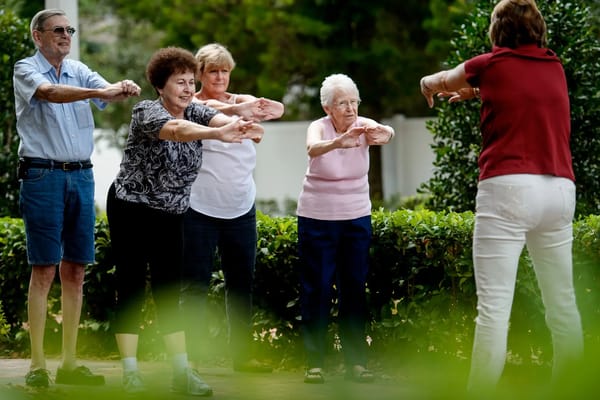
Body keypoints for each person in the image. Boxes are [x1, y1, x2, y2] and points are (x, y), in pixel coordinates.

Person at [419, 0, 584, 393]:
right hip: (559, 190)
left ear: (498, 30)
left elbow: (446, 79)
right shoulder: (554, 66)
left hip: (509, 187)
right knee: (563, 306)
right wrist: (479, 94)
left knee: (494, 310)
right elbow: (526, 94)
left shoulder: (489, 64)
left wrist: (428, 83)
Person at [106, 46, 263, 396]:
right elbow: (177, 130)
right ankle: (130, 372)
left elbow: (217, 119)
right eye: (180, 82)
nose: (189, 89)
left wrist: (238, 125)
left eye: (192, 82)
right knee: (131, 285)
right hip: (131, 208)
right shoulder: (146, 112)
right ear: (161, 86)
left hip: (171, 213)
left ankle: (182, 372)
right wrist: (216, 133)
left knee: (168, 289)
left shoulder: (196, 109)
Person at [13, 8, 141, 389]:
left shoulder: (80, 69)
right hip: (42, 174)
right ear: (38, 36)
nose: (66, 35)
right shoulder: (25, 68)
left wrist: (124, 87)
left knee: (76, 270)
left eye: (69, 29)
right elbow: (51, 94)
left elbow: (109, 94)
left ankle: (69, 363)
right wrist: (101, 91)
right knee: (44, 269)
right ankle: (38, 365)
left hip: (81, 175)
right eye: (58, 30)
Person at [181, 43, 283, 373]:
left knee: (241, 284)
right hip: (199, 208)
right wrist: (245, 115)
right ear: (200, 74)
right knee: (195, 285)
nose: (221, 76)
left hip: (241, 206)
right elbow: (216, 111)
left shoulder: (241, 100)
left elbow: (277, 111)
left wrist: (249, 110)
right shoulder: (192, 105)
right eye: (213, 71)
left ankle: (241, 357)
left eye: (225, 70)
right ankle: (191, 360)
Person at [296, 73, 394, 384]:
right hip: (317, 217)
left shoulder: (362, 123)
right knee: (317, 288)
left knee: (354, 287)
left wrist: (384, 134)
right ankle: (315, 362)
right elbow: (312, 148)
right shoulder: (318, 127)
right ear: (328, 108)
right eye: (343, 103)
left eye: (354, 102)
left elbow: (387, 132)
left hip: (356, 217)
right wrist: (339, 141)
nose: (350, 109)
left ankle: (357, 362)